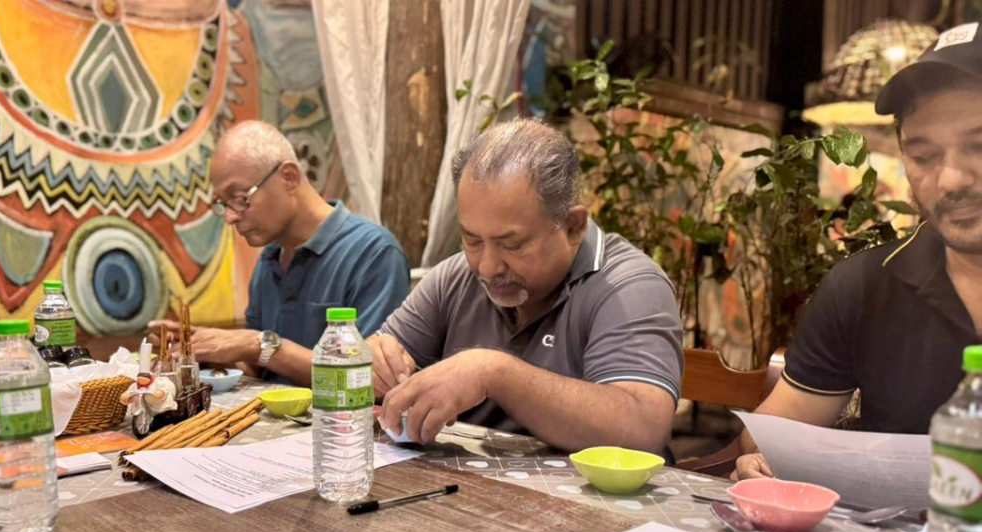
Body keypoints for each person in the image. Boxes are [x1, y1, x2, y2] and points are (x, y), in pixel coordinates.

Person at [734, 23, 982, 479]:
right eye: (924, 156)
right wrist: (765, 458)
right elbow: (776, 432)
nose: (951, 180)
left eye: (979, 145)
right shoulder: (867, 285)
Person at [372, 119, 683, 455]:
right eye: (472, 240)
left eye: (512, 244)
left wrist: (493, 372)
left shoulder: (629, 286)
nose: (488, 267)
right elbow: (374, 357)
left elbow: (642, 430)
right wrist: (372, 361)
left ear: (573, 227)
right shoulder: (455, 277)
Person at [150, 121, 409, 384]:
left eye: (240, 199)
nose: (229, 217)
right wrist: (208, 349)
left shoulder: (372, 254)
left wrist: (258, 345)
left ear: (289, 177)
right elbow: (259, 367)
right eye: (222, 204)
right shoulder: (269, 259)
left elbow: (366, 376)